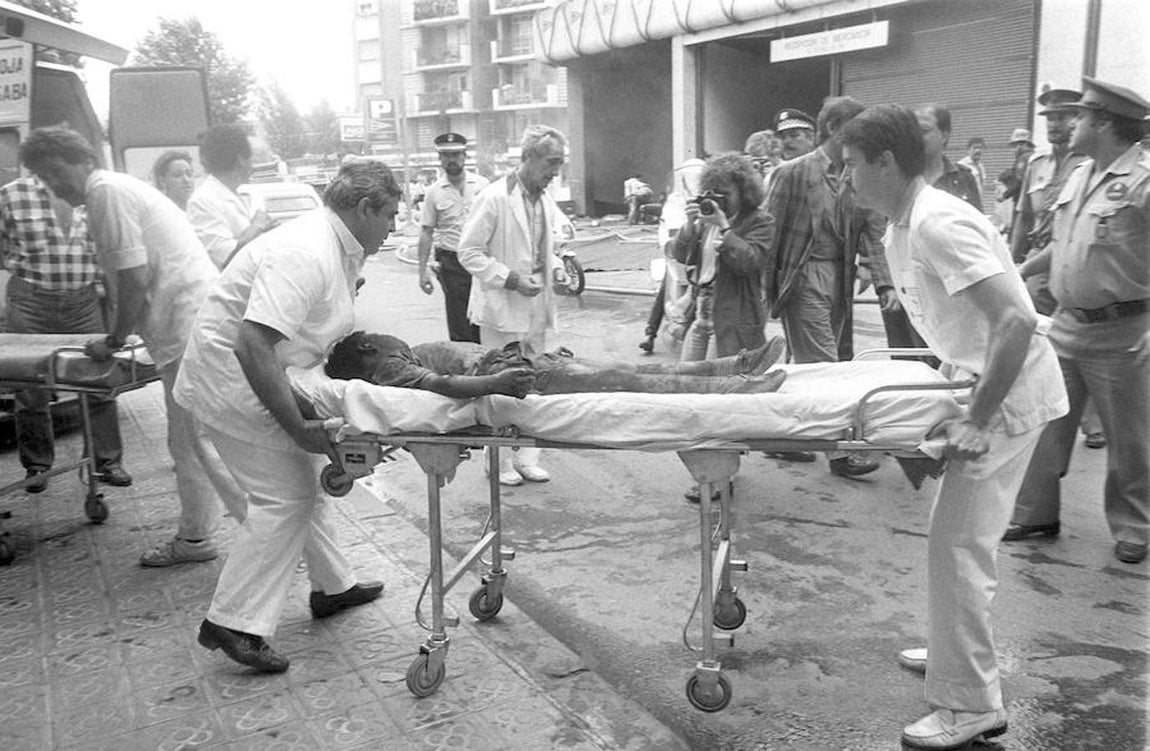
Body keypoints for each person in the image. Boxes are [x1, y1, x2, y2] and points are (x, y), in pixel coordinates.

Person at [840, 104, 1067, 750]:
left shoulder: (937, 223)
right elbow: (958, 326)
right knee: (956, 540)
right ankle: (952, 652)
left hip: (1006, 394)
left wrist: (975, 417)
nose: (847, 178)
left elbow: (1015, 321)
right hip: (981, 382)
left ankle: (970, 703)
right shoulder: (901, 226)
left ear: (886, 161)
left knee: (959, 544)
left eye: (853, 165)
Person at [174, 160, 401, 672]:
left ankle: (333, 587)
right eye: (389, 215)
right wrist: (299, 427)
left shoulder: (338, 246)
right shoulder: (307, 250)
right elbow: (252, 343)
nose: (392, 227)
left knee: (300, 487)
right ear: (364, 208)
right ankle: (232, 622)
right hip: (232, 383)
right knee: (286, 497)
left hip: (260, 375)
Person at [16, 126, 246, 568]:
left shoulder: (105, 192)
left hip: (189, 326)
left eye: (57, 172)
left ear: (84, 160)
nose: (55, 185)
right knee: (193, 441)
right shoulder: (114, 190)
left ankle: (266, 534)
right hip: (189, 326)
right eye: (45, 178)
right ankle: (201, 537)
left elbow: (134, 279)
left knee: (200, 442)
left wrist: (116, 339)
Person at [1008, 77, 1149, 565]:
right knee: (1047, 422)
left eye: (1084, 116)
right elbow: (1064, 242)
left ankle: (1135, 525)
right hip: (1067, 324)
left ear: (1105, 123)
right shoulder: (1081, 173)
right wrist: (1021, 269)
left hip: (1124, 330)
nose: (1073, 123)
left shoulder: (1144, 180)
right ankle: (1037, 514)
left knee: (1130, 438)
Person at [764, 96, 893, 476]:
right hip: (801, 278)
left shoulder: (855, 172)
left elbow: (872, 228)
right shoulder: (794, 173)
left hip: (839, 279)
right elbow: (770, 232)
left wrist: (884, 282)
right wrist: (767, 290)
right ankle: (839, 455)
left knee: (808, 368)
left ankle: (787, 439)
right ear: (835, 129)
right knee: (825, 366)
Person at [0, 176, 130, 492]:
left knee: (100, 379)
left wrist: (115, 308)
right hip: (31, 301)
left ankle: (106, 461)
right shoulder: (10, 195)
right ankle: (37, 466)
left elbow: (105, 253)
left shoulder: (88, 194)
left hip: (82, 300)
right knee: (32, 388)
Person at [458, 124, 570, 487]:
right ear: (528, 157)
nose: (556, 172)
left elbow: (543, 249)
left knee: (537, 379)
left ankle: (527, 456)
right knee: (501, 384)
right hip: (503, 307)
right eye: (551, 163)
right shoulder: (494, 197)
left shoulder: (544, 198)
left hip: (538, 304)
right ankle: (499, 460)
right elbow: (468, 252)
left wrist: (557, 269)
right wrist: (510, 279)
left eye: (560, 164)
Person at [1008, 88, 1104, 451]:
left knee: (1083, 338)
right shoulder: (1037, 164)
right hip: (1036, 265)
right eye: (1049, 118)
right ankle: (1042, 412)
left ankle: (1092, 421)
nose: (1055, 124)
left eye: (1063, 116)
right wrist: (1013, 261)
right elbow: (1023, 217)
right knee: (1036, 340)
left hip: (1075, 262)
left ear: (1078, 120)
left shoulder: (1090, 163)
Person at [324, 331, 787, 395]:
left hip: (524, 359)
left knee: (633, 371)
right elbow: (442, 384)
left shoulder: (394, 355)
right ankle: (736, 387)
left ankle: (736, 364)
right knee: (625, 379)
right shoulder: (390, 368)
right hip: (517, 373)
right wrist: (497, 383)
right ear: (367, 351)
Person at [879, 103, 982, 364]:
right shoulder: (896, 178)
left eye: (923, 130)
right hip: (908, 287)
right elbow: (880, 233)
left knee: (950, 363)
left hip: (950, 289)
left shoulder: (963, 178)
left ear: (945, 134)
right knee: (909, 368)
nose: (915, 137)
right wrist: (886, 284)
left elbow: (977, 229)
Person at [417, 133, 489, 343]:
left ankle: (489, 366)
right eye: (446, 155)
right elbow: (426, 231)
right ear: (440, 159)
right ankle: (466, 371)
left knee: (485, 320)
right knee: (460, 324)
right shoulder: (434, 192)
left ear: (465, 156)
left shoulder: (483, 186)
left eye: (456, 154)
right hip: (452, 263)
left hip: (482, 260)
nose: (452, 159)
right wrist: (422, 272)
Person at [186, 124, 276, 269]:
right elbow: (226, 256)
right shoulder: (203, 200)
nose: (252, 166)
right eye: (251, 159)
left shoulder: (234, 194)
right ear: (241, 159)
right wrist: (257, 226)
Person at [640, 157, 705, 354]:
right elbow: (666, 222)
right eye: (689, 176)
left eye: (697, 176)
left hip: (703, 255)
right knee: (666, 285)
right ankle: (650, 333)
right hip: (678, 255)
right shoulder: (675, 199)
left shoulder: (711, 198)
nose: (693, 180)